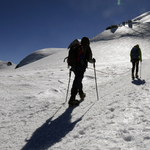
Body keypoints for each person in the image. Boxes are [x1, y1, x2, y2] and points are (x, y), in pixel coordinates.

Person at [68, 37, 95, 107]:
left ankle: (81, 93)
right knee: (77, 81)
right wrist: (93, 61)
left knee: (78, 80)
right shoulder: (86, 47)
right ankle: (72, 99)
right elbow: (89, 59)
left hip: (74, 67)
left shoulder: (77, 47)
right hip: (80, 67)